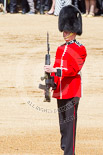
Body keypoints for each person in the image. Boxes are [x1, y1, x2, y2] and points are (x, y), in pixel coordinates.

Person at [44, 5, 87, 155]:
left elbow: (74, 69)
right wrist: (51, 80)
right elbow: (57, 67)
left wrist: (55, 70)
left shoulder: (80, 49)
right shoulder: (60, 49)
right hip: (60, 90)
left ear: (74, 31)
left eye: (67, 30)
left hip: (72, 91)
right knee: (63, 125)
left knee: (70, 125)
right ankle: (65, 148)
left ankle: (69, 153)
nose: (64, 33)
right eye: (64, 30)